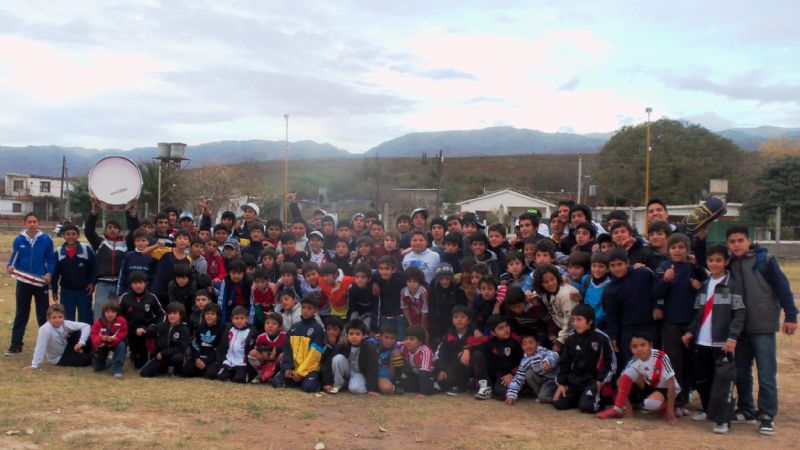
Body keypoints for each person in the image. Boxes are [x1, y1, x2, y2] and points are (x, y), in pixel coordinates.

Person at [726, 225, 797, 435]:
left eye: (740, 240)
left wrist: (791, 316)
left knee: (766, 373)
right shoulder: (728, 264)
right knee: (741, 371)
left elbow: (783, 287)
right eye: (732, 241)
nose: (737, 245)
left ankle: (766, 415)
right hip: (739, 328)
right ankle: (746, 408)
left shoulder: (764, 261)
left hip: (763, 325)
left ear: (748, 241)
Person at [682, 243, 746, 434]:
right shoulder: (704, 285)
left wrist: (732, 337)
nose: (715, 264)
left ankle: (722, 418)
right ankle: (706, 408)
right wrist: (690, 332)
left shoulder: (732, 285)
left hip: (722, 342)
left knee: (723, 382)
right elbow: (698, 313)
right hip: (702, 340)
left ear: (726, 262)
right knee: (702, 378)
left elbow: (739, 313)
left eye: (719, 260)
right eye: (711, 260)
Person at [653, 232, 706, 414]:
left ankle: (683, 400)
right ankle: (674, 401)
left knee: (690, 360)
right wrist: (665, 281)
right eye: (674, 247)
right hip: (671, 321)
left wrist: (699, 287)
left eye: (681, 247)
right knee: (673, 361)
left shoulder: (693, 267)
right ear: (669, 250)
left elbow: (707, 284)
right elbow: (656, 292)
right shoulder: (664, 267)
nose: (677, 251)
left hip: (691, 321)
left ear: (687, 249)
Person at [596, 331, 678, 426]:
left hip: (666, 389)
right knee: (627, 375)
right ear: (630, 348)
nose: (639, 349)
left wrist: (670, 413)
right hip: (649, 386)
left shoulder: (661, 356)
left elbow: (671, 385)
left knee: (650, 404)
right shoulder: (634, 360)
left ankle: (667, 407)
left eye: (643, 345)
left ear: (650, 345)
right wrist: (628, 406)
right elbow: (620, 382)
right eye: (634, 346)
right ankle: (618, 408)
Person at [6, 212, 56, 356]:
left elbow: (51, 259)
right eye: (29, 222)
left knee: (43, 314)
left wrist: (49, 273)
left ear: (38, 223)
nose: (32, 224)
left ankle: (47, 346)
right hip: (23, 282)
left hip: (40, 282)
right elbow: (13, 259)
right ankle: (16, 345)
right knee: (21, 313)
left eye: (34, 221)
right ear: (24, 223)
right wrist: (10, 267)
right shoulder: (18, 240)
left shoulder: (46, 239)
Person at [553, 304, 616, 413]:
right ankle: (581, 397)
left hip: (592, 381)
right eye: (573, 320)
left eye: (579, 320)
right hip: (574, 380)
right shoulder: (571, 339)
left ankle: (600, 399)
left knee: (587, 407)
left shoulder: (602, 338)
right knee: (559, 403)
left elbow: (611, 363)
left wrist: (600, 381)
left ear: (590, 321)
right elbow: (564, 363)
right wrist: (562, 383)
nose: (575, 323)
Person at [603, 248, 658, 363]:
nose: (617, 268)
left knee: (653, 362)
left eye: (620, 264)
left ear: (627, 263)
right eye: (613, 265)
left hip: (649, 326)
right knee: (632, 363)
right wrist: (613, 337)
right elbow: (612, 316)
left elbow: (658, 291)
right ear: (609, 268)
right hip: (628, 331)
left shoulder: (643, 273)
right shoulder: (610, 290)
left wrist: (659, 307)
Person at [85, 201, 132, 318]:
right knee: (99, 315)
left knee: (119, 315)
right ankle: (98, 336)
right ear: (105, 230)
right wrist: (94, 212)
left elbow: (135, 230)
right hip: (103, 284)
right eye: (110, 227)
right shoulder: (100, 243)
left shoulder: (126, 244)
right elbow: (88, 231)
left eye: (116, 228)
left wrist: (129, 211)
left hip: (120, 285)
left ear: (120, 231)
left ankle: (117, 336)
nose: (113, 230)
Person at [275, 295, 326, 391]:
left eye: (309, 308)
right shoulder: (294, 327)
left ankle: (316, 381)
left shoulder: (317, 329)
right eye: (303, 307)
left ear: (315, 310)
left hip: (309, 369)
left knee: (308, 388)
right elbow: (287, 349)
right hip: (294, 368)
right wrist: (287, 367)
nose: (306, 311)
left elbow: (314, 355)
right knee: (276, 383)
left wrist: (300, 372)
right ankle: (296, 380)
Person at [468, 314, 523, 400]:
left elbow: (526, 359)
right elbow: (472, 345)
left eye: (506, 326)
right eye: (501, 328)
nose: (505, 330)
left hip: (507, 374)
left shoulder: (517, 341)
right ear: (493, 333)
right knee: (477, 354)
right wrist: (466, 350)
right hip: (493, 372)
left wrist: (512, 373)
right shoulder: (489, 340)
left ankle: (499, 389)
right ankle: (485, 388)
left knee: (501, 393)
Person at [24, 303, 92, 369]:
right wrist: (35, 365)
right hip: (59, 357)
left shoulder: (65, 323)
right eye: (54, 318)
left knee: (79, 332)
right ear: (48, 318)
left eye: (60, 317)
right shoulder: (45, 330)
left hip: (66, 347)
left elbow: (86, 326)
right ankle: (94, 357)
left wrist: (81, 342)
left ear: (64, 317)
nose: (57, 320)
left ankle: (92, 351)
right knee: (87, 360)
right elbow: (40, 346)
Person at [51, 223, 95, 324]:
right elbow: (55, 273)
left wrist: (92, 283)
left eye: (73, 234)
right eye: (67, 234)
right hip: (67, 291)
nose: (71, 236)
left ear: (78, 235)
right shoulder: (58, 252)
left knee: (85, 319)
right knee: (67, 319)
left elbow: (94, 268)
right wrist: (54, 290)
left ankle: (85, 340)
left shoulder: (86, 249)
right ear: (63, 235)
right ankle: (69, 340)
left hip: (84, 291)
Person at [119, 271, 165, 368]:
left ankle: (152, 352)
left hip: (148, 331)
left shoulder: (152, 297)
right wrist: (130, 329)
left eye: (140, 283)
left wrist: (153, 327)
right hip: (132, 332)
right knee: (139, 364)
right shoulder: (125, 297)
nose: (138, 286)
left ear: (146, 283)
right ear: (131, 284)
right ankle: (133, 354)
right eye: (135, 283)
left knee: (150, 362)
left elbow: (161, 314)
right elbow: (120, 318)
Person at [138, 302, 192, 377]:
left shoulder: (184, 329)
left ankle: (177, 372)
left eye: (175, 313)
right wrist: (144, 330)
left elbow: (180, 348)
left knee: (178, 358)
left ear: (181, 315)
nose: (171, 316)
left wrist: (163, 353)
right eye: (169, 313)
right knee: (144, 373)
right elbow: (152, 329)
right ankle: (163, 368)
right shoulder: (162, 325)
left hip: (173, 355)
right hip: (162, 357)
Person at [326, 319, 379, 395]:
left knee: (356, 389)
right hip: (347, 369)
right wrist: (327, 383)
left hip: (359, 372)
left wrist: (372, 389)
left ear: (363, 335)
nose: (354, 337)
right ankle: (338, 385)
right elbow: (329, 362)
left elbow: (372, 368)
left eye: (358, 334)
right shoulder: (342, 345)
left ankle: (348, 383)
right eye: (351, 334)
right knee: (337, 359)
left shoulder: (369, 349)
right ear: (347, 335)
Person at [533, 264, 579, 352]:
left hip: (572, 331)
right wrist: (535, 297)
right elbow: (536, 291)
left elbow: (570, 322)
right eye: (546, 282)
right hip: (557, 325)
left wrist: (560, 341)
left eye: (552, 279)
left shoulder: (566, 294)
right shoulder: (543, 291)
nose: (551, 283)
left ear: (557, 277)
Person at [505, 334, 559, 405]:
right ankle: (540, 395)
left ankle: (558, 396)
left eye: (531, 343)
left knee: (543, 398)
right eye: (525, 344)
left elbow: (554, 354)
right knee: (528, 374)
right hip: (541, 380)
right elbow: (518, 379)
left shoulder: (542, 351)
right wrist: (511, 395)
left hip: (552, 380)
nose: (528, 346)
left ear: (537, 344)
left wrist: (548, 362)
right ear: (522, 347)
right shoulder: (524, 361)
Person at [434, 305, 475, 396]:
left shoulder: (473, 333)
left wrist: (467, 350)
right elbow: (441, 354)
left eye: (462, 317)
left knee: (465, 356)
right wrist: (441, 369)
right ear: (452, 321)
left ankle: (461, 386)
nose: (459, 319)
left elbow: (479, 346)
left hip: (469, 365)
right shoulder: (448, 335)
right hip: (452, 365)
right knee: (444, 380)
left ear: (469, 320)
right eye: (455, 317)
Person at [427, 264, 468, 345]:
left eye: (447, 279)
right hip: (438, 326)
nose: (444, 281)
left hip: (454, 325)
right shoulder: (433, 292)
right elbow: (432, 311)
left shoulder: (459, 292)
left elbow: (463, 311)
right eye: (441, 279)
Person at [182, 303, 225, 379]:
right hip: (199, 357)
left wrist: (206, 361)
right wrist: (196, 359)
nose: (209, 316)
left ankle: (205, 370)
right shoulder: (200, 328)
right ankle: (201, 369)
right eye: (207, 313)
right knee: (186, 371)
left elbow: (218, 348)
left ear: (218, 316)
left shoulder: (221, 329)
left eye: (213, 314)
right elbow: (195, 345)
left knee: (211, 374)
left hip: (212, 359)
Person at [217, 305, 257, 383]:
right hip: (229, 360)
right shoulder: (229, 328)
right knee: (221, 377)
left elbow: (251, 347)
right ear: (232, 319)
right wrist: (222, 360)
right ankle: (231, 372)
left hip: (242, 361)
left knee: (239, 379)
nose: (239, 321)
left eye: (242, 318)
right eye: (236, 318)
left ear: (247, 318)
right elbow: (223, 345)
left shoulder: (251, 331)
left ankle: (242, 373)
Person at [90, 300, 128, 378]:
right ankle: (110, 361)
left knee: (122, 344)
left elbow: (123, 333)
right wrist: (101, 339)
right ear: (104, 313)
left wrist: (114, 339)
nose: (110, 314)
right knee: (97, 368)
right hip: (102, 345)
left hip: (116, 343)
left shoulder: (122, 321)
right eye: (107, 312)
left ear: (117, 313)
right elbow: (94, 338)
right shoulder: (98, 322)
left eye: (113, 312)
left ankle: (117, 370)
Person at [398, 325, 437, 396]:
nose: (408, 341)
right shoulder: (403, 346)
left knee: (428, 389)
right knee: (407, 387)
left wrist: (422, 393)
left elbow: (424, 371)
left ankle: (439, 385)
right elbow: (393, 344)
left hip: (429, 375)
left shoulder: (425, 351)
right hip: (415, 375)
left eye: (412, 339)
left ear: (419, 342)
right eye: (406, 338)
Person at [248, 312, 286, 384]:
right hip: (266, 362)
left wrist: (277, 349)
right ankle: (260, 374)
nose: (270, 326)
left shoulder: (284, 336)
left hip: (277, 362)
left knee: (283, 355)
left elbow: (289, 349)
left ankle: (278, 375)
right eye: (267, 323)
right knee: (252, 353)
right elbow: (257, 348)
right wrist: (262, 351)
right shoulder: (261, 337)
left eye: (274, 324)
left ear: (280, 327)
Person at [375, 256, 407, 340]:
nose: (383, 272)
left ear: (393, 269)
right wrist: (374, 283)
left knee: (400, 342)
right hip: (384, 317)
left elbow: (416, 279)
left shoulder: (401, 278)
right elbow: (368, 275)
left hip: (399, 316)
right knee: (383, 343)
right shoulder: (376, 277)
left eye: (387, 269)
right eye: (381, 268)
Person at [117, 229, 156, 296]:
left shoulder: (153, 257)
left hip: (146, 294)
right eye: (138, 241)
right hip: (128, 294)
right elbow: (122, 276)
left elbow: (153, 277)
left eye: (143, 240)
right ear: (134, 242)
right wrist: (120, 293)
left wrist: (151, 293)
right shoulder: (128, 256)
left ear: (148, 242)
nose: (140, 243)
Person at [370, 323, 403, 394]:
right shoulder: (372, 342)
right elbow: (360, 340)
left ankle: (397, 385)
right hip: (370, 374)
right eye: (386, 337)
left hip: (384, 376)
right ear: (380, 336)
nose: (389, 341)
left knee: (387, 388)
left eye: (392, 338)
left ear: (396, 338)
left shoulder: (396, 348)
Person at [218, 259, 252, 324]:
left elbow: (251, 304)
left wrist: (249, 323)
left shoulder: (249, 282)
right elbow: (222, 301)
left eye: (239, 273)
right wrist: (222, 323)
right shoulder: (226, 281)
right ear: (229, 273)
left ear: (244, 273)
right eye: (233, 273)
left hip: (245, 307)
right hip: (231, 307)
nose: (236, 276)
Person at [346, 263, 378, 330]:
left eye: (363, 277)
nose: (359, 280)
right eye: (357, 276)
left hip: (370, 314)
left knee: (366, 327)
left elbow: (376, 309)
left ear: (369, 279)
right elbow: (352, 308)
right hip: (357, 314)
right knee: (351, 327)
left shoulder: (373, 290)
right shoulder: (352, 289)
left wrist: (374, 326)